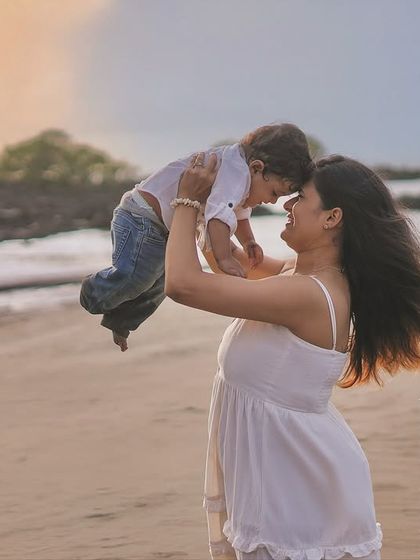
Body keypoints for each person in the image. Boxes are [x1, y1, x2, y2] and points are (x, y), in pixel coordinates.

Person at [164, 151, 420, 560]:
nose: (286, 204)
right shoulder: (297, 277)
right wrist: (223, 201)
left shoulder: (306, 294)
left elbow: (182, 284)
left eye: (300, 197)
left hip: (291, 481)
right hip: (281, 467)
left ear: (331, 218)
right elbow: (222, 260)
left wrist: (187, 200)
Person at [80, 123, 313, 352]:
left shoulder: (241, 177)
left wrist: (248, 242)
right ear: (256, 168)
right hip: (141, 217)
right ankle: (92, 292)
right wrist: (223, 258)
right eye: (274, 193)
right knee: (136, 277)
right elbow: (218, 216)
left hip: (161, 228)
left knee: (159, 284)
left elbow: (239, 214)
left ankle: (121, 321)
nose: (273, 202)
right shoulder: (235, 172)